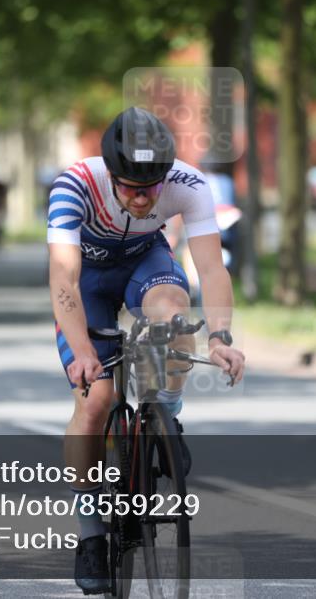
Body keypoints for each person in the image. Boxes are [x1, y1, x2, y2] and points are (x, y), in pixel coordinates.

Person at [47, 107, 246, 594]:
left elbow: (212, 268)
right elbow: (64, 279)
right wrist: (82, 352)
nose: (141, 198)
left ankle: (166, 415)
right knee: (95, 403)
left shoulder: (189, 183)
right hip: (87, 283)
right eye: (130, 187)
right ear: (110, 173)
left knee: (173, 314)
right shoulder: (74, 186)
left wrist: (219, 337)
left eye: (150, 188)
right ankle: (92, 533)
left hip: (145, 262)